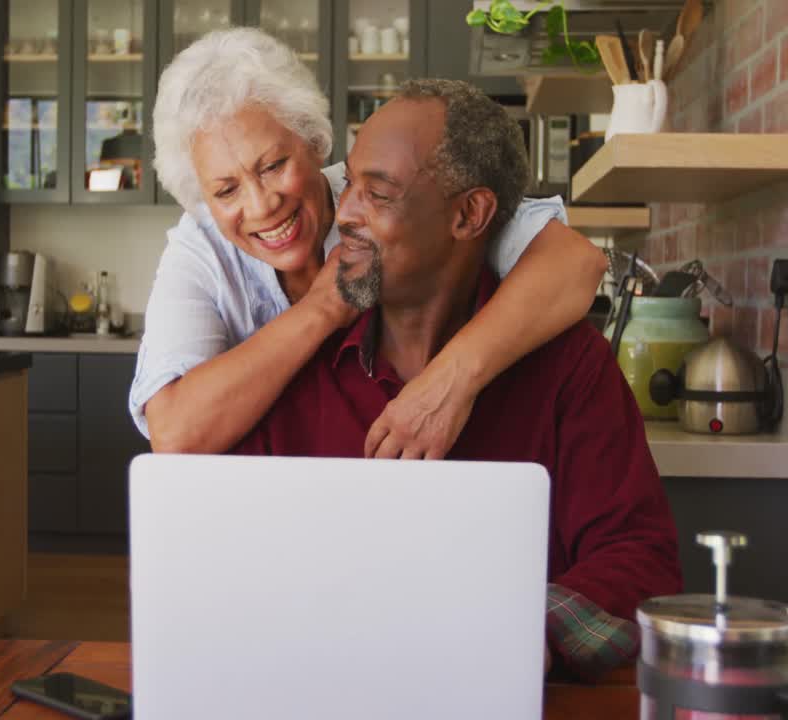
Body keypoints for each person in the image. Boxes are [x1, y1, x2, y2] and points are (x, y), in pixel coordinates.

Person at [230, 79, 681, 679]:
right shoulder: (300, 368)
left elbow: (641, 561)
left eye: (379, 193)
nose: (348, 216)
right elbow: (233, 562)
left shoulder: (570, 368)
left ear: (469, 214)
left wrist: (513, 631)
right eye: (349, 186)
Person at [130, 28, 609, 458]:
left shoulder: (381, 194)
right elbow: (174, 433)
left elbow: (575, 263)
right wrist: (322, 309)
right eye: (226, 190)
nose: (260, 206)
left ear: (313, 141)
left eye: (273, 165)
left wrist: (449, 381)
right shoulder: (201, 248)